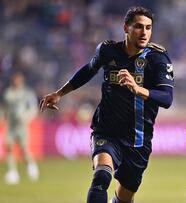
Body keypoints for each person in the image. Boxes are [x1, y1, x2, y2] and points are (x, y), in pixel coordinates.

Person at [39, 6, 174, 203]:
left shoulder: (158, 59)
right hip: (107, 131)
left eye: (148, 27)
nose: (144, 32)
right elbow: (88, 70)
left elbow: (166, 98)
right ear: (125, 28)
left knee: (124, 199)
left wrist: (138, 89)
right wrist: (60, 93)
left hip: (138, 140)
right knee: (101, 176)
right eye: (138, 26)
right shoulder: (108, 51)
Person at [3, 71, 39, 184]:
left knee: (23, 149)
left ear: (21, 80)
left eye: (18, 79)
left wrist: (26, 117)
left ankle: (31, 165)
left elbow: (33, 108)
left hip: (21, 125)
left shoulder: (27, 93)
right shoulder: (8, 93)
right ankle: (12, 172)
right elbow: (5, 108)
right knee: (8, 146)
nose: (15, 81)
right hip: (10, 124)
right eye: (14, 79)